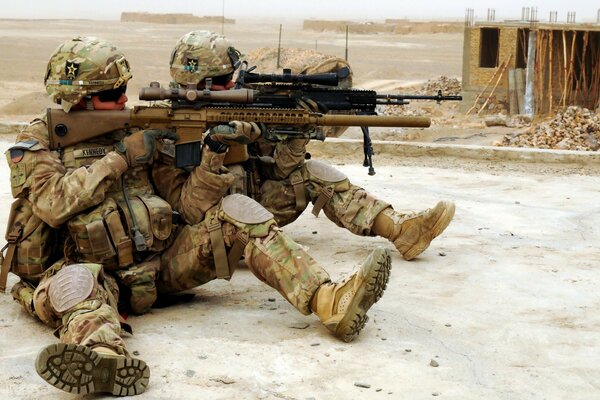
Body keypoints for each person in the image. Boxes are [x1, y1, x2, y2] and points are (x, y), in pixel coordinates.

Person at [2, 36, 391, 396]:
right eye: (113, 93)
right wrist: (120, 159)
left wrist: (213, 155)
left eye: (124, 88)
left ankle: (327, 300)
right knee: (75, 285)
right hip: (94, 275)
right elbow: (52, 204)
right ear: (80, 99)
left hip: (163, 266)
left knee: (235, 212)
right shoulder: (41, 143)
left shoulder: (140, 130)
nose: (125, 99)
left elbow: (188, 207)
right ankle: (103, 359)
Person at [169, 30, 456, 262]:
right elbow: (191, 212)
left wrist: (297, 133)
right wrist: (214, 149)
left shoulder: (244, 107)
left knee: (313, 172)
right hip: (211, 234)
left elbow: (282, 172)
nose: (235, 82)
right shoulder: (167, 127)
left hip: (255, 214)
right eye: (225, 79)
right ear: (202, 82)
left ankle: (401, 229)